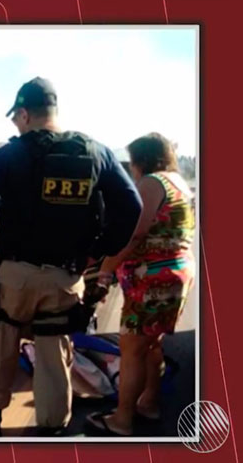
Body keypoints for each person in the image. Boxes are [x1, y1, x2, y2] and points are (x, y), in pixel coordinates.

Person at [0, 77, 142, 436]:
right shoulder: (95, 151)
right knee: (54, 351)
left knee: (3, 339)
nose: (15, 125)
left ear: (24, 113)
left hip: (16, 274)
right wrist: (100, 251)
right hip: (66, 275)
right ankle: (51, 430)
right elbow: (131, 205)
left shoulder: (10, 154)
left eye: (15, 118)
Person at [86, 133, 195, 436]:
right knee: (151, 344)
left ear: (141, 161)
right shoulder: (178, 181)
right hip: (176, 272)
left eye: (133, 162)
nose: (131, 169)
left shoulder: (152, 183)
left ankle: (122, 420)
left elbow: (134, 233)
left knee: (131, 349)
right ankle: (149, 403)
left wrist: (106, 270)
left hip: (153, 278)